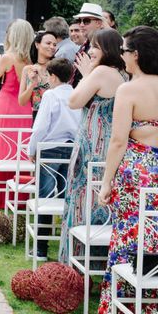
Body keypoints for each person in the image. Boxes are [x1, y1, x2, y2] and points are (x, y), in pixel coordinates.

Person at [97, 26, 158, 313]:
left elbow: (118, 140)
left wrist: (106, 182)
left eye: (123, 50)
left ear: (136, 54)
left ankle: (124, 304)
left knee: (128, 236)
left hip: (139, 172)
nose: (121, 56)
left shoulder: (130, 89)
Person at [58, 28, 127, 264]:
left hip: (91, 146)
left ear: (107, 49)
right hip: (110, 146)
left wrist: (87, 74)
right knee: (103, 205)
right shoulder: (124, 74)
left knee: (80, 201)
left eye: (95, 47)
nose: (91, 51)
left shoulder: (100, 73)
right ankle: (99, 262)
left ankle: (76, 264)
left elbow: (74, 101)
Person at [27, 58, 81, 260]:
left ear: (54, 76)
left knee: (45, 197)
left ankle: (41, 248)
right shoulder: (77, 94)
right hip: (72, 149)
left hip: (49, 149)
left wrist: (31, 149)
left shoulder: (50, 95)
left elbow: (40, 126)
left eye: (48, 75)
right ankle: (66, 245)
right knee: (67, 196)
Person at [0, 19, 35, 209]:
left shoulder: (7, 57)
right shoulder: (31, 60)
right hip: (24, 107)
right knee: (20, 151)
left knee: (2, 150)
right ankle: (20, 198)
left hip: (6, 105)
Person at [19, 31, 57, 120]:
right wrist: (32, 84)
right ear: (37, 45)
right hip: (37, 116)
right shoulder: (28, 69)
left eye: (54, 45)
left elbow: (59, 94)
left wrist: (43, 77)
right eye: (48, 43)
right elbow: (21, 101)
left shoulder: (57, 67)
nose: (52, 47)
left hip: (55, 115)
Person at [72, 2, 106, 87]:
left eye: (86, 21)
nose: (81, 25)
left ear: (98, 23)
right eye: (79, 21)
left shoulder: (103, 45)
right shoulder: (85, 44)